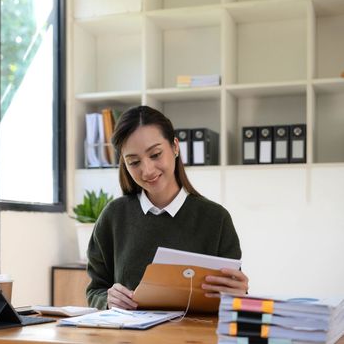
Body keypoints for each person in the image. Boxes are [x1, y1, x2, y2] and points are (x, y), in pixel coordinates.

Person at [86, 105, 249, 310]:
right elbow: (95, 290)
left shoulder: (216, 219)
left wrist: (239, 294)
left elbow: (232, 295)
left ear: (175, 147)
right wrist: (107, 300)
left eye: (155, 155)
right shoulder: (114, 216)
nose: (147, 170)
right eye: (134, 162)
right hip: (130, 339)